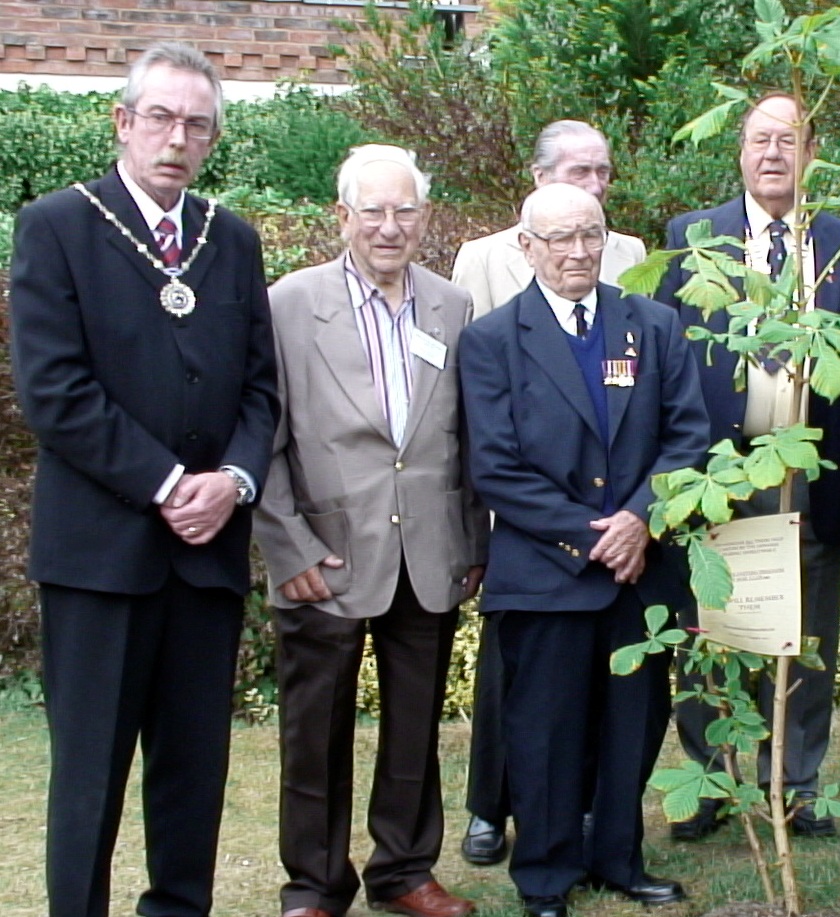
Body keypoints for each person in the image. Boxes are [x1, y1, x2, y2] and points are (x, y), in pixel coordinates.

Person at [8, 42, 279, 917]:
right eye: (159, 117)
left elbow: (261, 387)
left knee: (193, 768)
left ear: (211, 139)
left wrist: (233, 479)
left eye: (196, 124)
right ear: (123, 121)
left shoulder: (230, 240)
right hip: (100, 556)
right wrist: (170, 484)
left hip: (206, 557)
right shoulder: (57, 226)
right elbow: (55, 393)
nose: (177, 137)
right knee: (89, 772)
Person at [457, 182, 709, 917]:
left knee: (634, 723)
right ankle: (544, 872)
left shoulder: (655, 325)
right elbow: (495, 467)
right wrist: (591, 537)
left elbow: (687, 436)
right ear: (526, 246)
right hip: (546, 574)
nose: (577, 251)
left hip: (641, 571)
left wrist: (639, 520)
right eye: (559, 237)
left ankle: (619, 857)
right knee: (544, 730)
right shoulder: (493, 340)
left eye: (590, 234)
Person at [253, 144, 489, 917]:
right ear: (343, 216)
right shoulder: (289, 302)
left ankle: (405, 869)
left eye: (405, 211)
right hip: (325, 554)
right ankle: (314, 884)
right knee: (314, 733)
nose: (390, 227)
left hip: (428, 553)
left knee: (414, 727)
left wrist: (471, 543)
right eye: (373, 211)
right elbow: (264, 432)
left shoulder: (451, 306)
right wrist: (286, 545)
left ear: (424, 217)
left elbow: (467, 438)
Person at [655, 91, 840, 840]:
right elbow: (669, 364)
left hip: (812, 473)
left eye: (787, 140)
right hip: (722, 472)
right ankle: (712, 779)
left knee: (804, 635)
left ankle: (794, 781)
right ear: (739, 150)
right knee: (710, 633)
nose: (772, 154)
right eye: (759, 139)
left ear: (810, 149)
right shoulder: (693, 237)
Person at [449, 119, 646, 867]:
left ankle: (601, 832)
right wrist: (581, 530)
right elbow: (481, 417)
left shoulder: (625, 255)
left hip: (623, 526)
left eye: (601, 172)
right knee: (521, 694)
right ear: (536, 184)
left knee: (606, 703)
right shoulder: (486, 262)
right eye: (576, 170)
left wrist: (636, 518)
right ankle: (491, 808)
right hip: (536, 534)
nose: (591, 186)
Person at [452, 120, 645, 318]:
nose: (596, 186)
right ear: (540, 176)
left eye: (603, 172)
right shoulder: (483, 260)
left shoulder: (631, 252)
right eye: (580, 172)